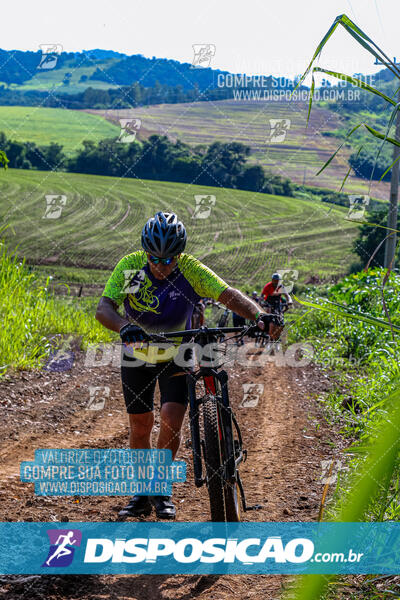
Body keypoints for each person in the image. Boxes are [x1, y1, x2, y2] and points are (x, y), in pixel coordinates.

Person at [95, 211, 267, 519]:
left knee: (171, 418)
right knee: (140, 425)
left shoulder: (190, 270)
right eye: (154, 259)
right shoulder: (132, 268)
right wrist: (123, 326)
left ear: (180, 255)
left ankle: (160, 489)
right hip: (137, 354)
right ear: (145, 253)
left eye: (168, 259)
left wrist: (259, 315)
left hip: (178, 353)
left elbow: (228, 295)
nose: (161, 266)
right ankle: (142, 493)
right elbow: (104, 308)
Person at [261, 273, 293, 341]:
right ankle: (265, 326)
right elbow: (262, 295)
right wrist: (262, 302)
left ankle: (279, 332)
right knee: (267, 313)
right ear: (272, 280)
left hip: (277, 304)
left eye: (278, 280)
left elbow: (287, 295)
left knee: (281, 317)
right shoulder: (268, 286)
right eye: (275, 280)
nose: (276, 282)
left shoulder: (281, 287)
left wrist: (289, 300)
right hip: (268, 303)